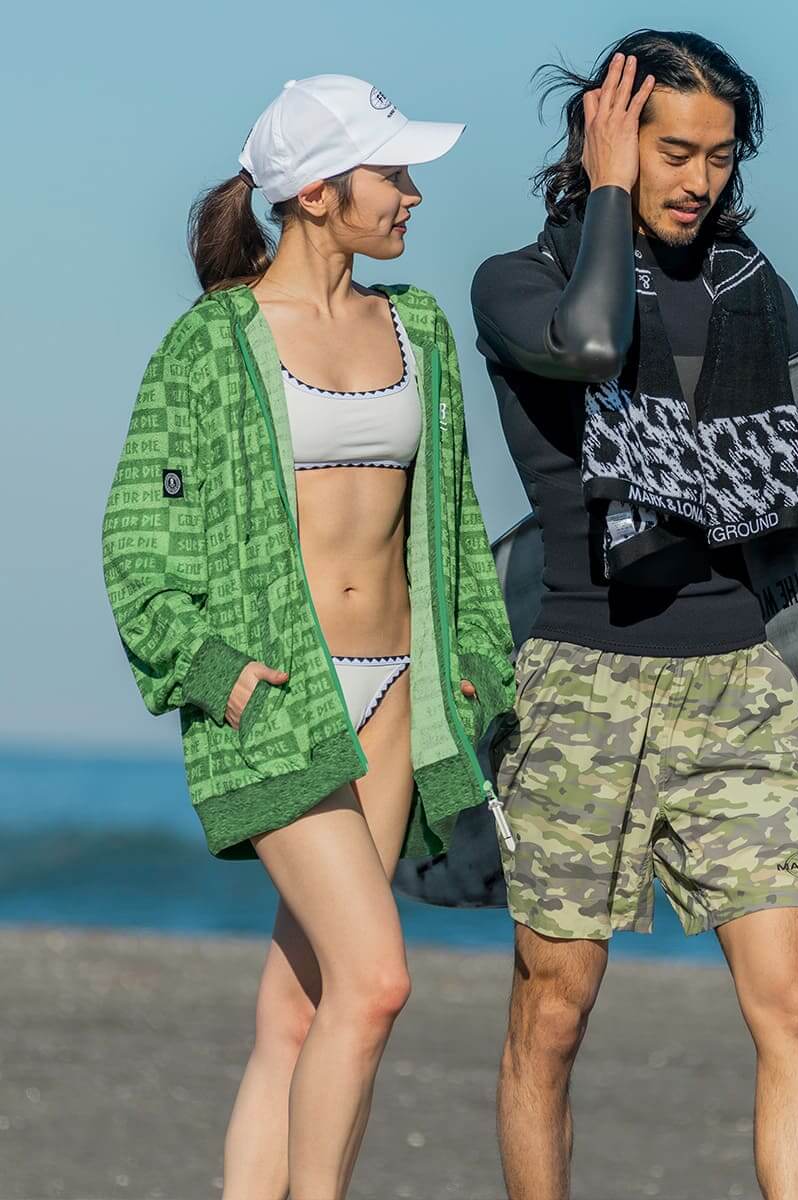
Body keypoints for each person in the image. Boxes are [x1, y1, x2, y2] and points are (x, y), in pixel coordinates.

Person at [471, 32, 798, 1200]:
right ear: (607, 135)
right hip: (582, 682)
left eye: (720, 155)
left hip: (738, 682)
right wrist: (607, 193)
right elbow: (593, 343)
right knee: (553, 1010)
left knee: (795, 1004)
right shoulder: (523, 282)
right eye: (672, 151)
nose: (699, 180)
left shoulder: (754, 294)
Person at [101, 74, 514, 1200]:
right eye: (394, 173)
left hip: (396, 697)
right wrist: (212, 672)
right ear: (319, 192)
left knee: (303, 1008)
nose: (414, 194)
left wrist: (474, 668)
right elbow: (138, 536)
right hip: (281, 700)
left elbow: (454, 522)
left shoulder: (418, 325)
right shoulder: (211, 343)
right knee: (376, 983)